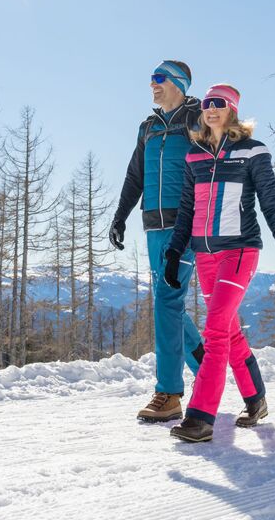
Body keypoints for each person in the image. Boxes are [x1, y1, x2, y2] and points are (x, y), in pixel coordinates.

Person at [164, 84, 275, 443]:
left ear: (232, 110)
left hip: (240, 252)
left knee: (216, 331)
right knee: (230, 330)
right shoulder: (195, 155)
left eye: (218, 104)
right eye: (207, 104)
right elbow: (188, 210)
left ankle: (200, 417)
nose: (210, 109)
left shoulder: (252, 151)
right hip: (205, 256)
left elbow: (271, 204)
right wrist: (175, 252)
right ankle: (256, 400)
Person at [109, 60, 205, 422]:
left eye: (159, 78)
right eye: (151, 78)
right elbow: (136, 175)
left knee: (167, 299)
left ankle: (169, 393)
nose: (153, 84)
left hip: (186, 226)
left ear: (178, 83)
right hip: (153, 226)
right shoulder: (148, 127)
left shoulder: (197, 120)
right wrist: (120, 216)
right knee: (169, 301)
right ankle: (205, 366)